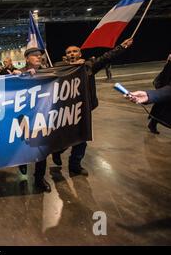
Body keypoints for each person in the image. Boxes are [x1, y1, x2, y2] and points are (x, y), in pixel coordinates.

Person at [51, 38, 134, 176]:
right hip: (66, 110)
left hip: (84, 109)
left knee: (82, 139)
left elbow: (106, 57)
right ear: (65, 57)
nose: (72, 54)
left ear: (80, 54)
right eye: (69, 52)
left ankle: (75, 165)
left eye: (75, 51)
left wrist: (122, 46)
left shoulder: (89, 66)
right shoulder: (59, 67)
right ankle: (57, 151)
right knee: (66, 136)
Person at [13, 47, 51, 193]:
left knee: (41, 147)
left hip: (42, 116)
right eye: (35, 55)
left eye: (40, 55)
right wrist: (19, 76)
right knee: (23, 145)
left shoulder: (48, 71)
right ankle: (22, 164)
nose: (38, 57)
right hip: (23, 117)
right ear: (27, 59)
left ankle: (39, 178)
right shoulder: (20, 73)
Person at [147, 50, 171, 134]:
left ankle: (152, 124)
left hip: (168, 87)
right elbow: (165, 74)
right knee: (161, 107)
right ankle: (152, 124)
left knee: (163, 108)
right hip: (167, 87)